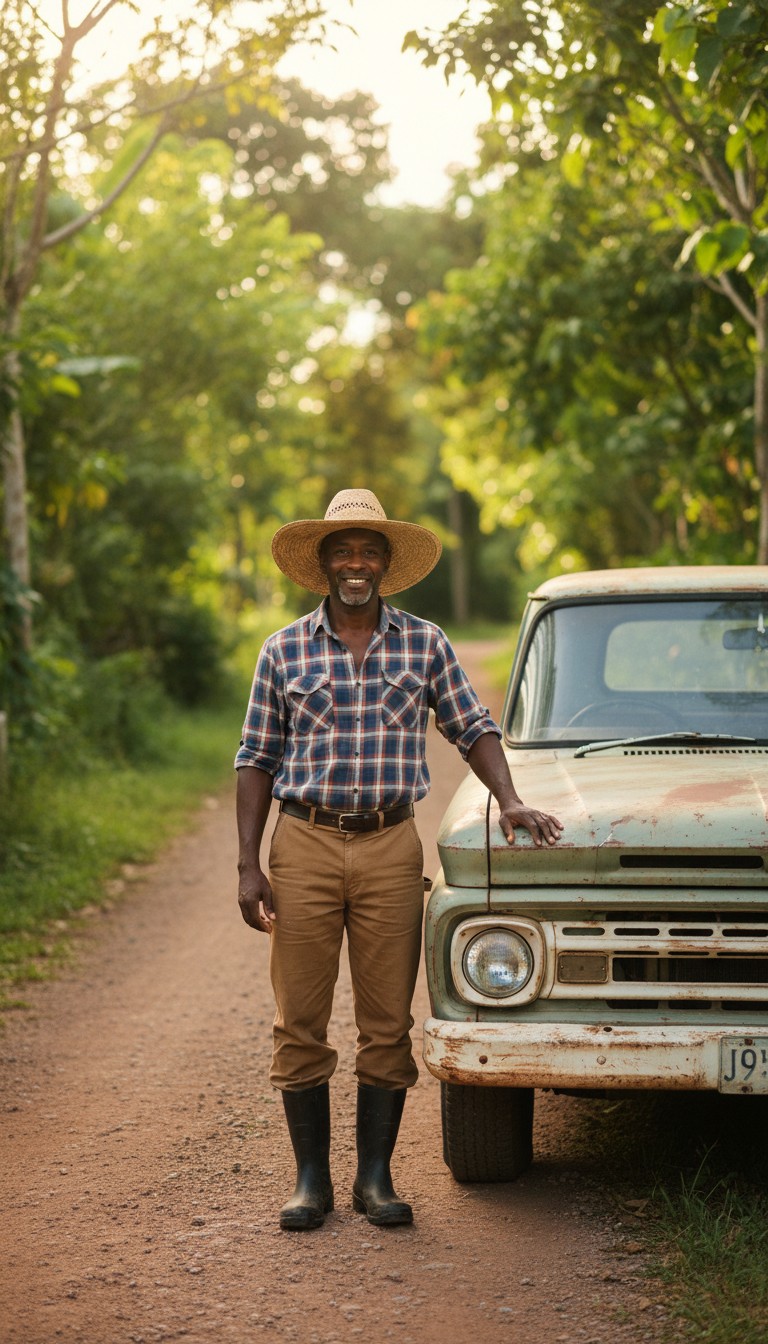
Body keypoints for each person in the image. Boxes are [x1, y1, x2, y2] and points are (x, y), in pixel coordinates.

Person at [235, 488, 563, 1232]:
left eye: (369, 550)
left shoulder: (425, 643)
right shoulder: (283, 650)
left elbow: (471, 726)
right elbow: (255, 757)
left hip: (389, 844)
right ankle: (311, 1181)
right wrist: (248, 865)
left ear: (386, 563)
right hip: (304, 843)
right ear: (322, 566)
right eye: (342, 551)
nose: (356, 563)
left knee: (387, 1022)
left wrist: (508, 798)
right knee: (301, 1019)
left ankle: (374, 1180)